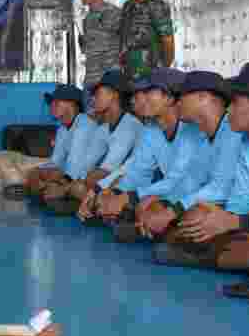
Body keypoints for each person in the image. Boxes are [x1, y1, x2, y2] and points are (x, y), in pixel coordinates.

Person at [143, 63, 249, 289]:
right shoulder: (248, 145)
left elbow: (229, 202)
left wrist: (235, 221)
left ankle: (216, 256)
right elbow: (240, 202)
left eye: (235, 102)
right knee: (202, 223)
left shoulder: (233, 136)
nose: (228, 110)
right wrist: (217, 221)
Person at [137, 71, 243, 248]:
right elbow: (190, 181)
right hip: (216, 204)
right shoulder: (201, 135)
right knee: (154, 207)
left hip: (238, 209)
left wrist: (172, 212)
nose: (177, 103)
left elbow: (221, 187)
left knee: (195, 216)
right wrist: (163, 203)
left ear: (203, 97)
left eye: (183, 96)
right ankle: (177, 240)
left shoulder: (233, 131)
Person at [78, 68, 187, 225]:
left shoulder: (190, 131)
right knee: (110, 201)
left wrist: (129, 197)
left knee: (146, 210)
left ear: (169, 98)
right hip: (168, 191)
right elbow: (137, 171)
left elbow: (182, 182)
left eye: (148, 91)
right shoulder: (151, 128)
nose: (141, 98)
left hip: (192, 196)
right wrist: (104, 191)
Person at [47, 70, 142, 216]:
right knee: (79, 185)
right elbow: (86, 164)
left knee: (82, 186)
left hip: (132, 183)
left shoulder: (129, 125)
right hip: (109, 181)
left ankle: (106, 209)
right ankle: (97, 207)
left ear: (114, 95)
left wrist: (65, 188)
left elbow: (108, 170)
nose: (93, 99)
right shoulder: (103, 128)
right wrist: (68, 183)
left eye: (97, 94)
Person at [23, 84, 98, 198]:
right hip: (71, 175)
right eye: (51, 103)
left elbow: (74, 167)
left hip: (88, 178)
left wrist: (54, 184)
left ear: (72, 104)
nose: (52, 106)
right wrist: (38, 171)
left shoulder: (84, 125)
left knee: (61, 188)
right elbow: (56, 161)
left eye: (57, 102)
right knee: (34, 173)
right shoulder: (62, 129)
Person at [115, 0, 174, 80]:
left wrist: (162, 71)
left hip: (149, 78)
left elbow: (168, 42)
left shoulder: (156, 5)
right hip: (127, 76)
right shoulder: (127, 6)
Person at [72, 0, 122, 94]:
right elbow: (89, 50)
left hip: (109, 81)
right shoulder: (87, 19)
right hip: (91, 80)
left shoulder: (113, 13)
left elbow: (129, 43)